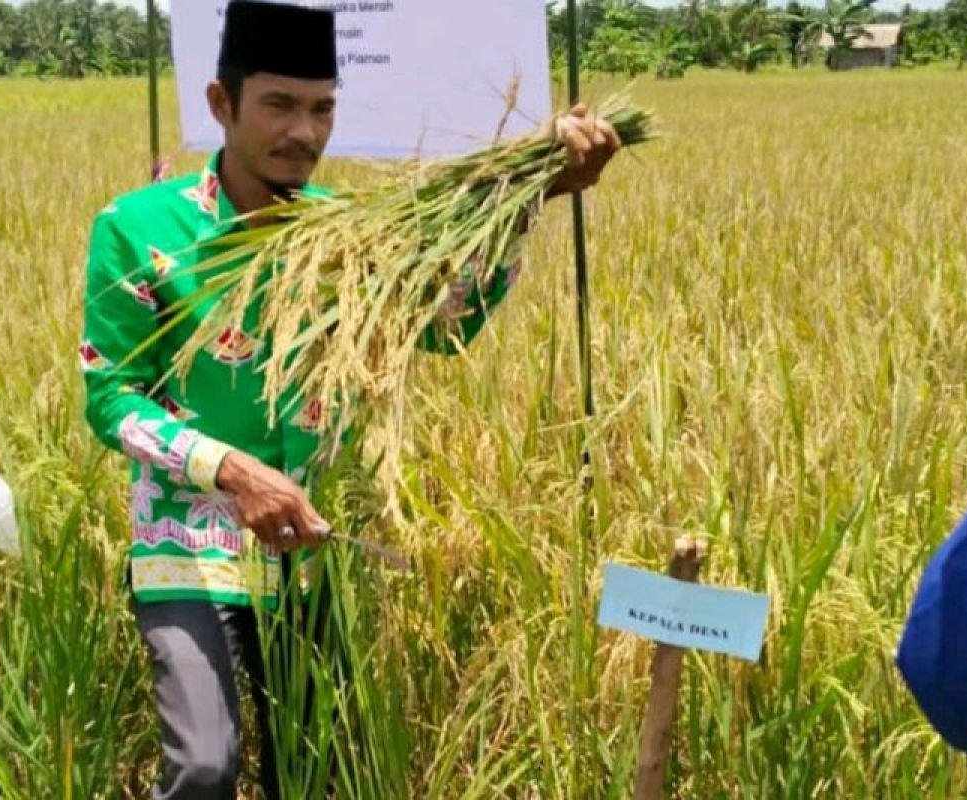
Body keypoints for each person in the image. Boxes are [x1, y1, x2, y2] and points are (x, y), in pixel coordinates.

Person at [79, 2, 622, 797]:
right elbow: (112, 398)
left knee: (318, 774)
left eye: (322, 107)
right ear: (221, 104)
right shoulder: (138, 228)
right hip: (188, 547)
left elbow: (447, 327)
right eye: (279, 105)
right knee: (203, 767)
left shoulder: (348, 230)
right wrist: (235, 472)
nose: (304, 130)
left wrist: (530, 197)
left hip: (310, 551)